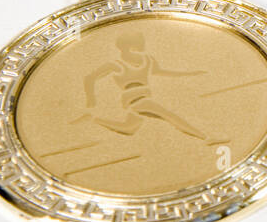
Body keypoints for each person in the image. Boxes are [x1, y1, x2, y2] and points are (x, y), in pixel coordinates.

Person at [73, 33, 216, 142]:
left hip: (143, 97)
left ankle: (93, 119)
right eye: (136, 45)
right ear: (126, 47)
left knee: (129, 128)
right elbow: (89, 78)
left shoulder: (147, 60)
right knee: (169, 115)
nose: (140, 48)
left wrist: (190, 73)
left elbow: (162, 72)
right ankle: (206, 137)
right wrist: (91, 99)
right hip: (135, 99)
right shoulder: (116, 65)